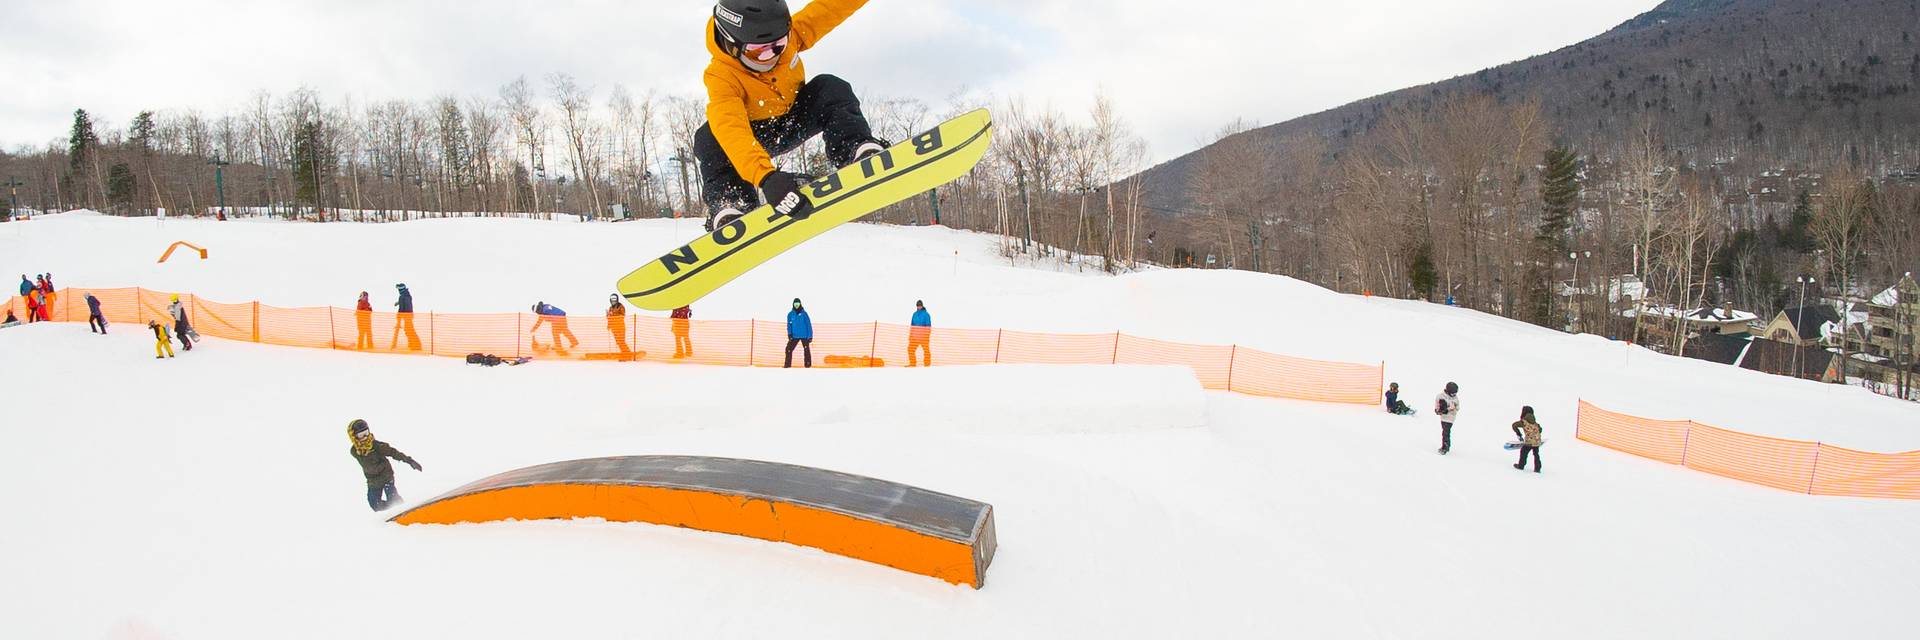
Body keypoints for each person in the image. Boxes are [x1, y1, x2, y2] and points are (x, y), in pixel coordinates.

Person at [696, 0, 886, 230]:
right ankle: (731, 201)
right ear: (732, 45)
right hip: (754, 137)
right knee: (708, 137)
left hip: (795, 118)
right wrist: (766, 178)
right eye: (758, 51)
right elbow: (732, 130)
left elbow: (829, 9)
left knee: (829, 86)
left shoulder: (791, 36)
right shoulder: (721, 77)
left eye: (779, 46)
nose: (772, 55)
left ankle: (854, 147)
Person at [347, 419, 421, 512]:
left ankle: (400, 508)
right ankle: (392, 512)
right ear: (353, 436)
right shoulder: (354, 451)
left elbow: (393, 452)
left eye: (366, 433)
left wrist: (409, 461)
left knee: (393, 499)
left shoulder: (376, 446)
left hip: (386, 476)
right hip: (373, 481)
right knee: (375, 504)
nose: (365, 437)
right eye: (361, 435)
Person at [1511, 406, 1544, 473]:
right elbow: (1540, 430)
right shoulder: (1535, 423)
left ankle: (1521, 465)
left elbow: (1514, 425)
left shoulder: (1524, 422)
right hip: (1537, 441)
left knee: (1523, 452)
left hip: (1529, 442)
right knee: (1536, 454)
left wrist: (1518, 434)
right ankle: (1537, 468)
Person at [784, 297, 813, 368]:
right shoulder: (790, 314)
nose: (796, 305)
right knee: (788, 349)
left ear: (800, 304)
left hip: (804, 335)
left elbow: (808, 324)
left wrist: (810, 336)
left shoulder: (804, 314)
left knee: (806, 349)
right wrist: (789, 334)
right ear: (793, 304)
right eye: (795, 304)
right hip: (795, 335)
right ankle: (787, 365)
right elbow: (789, 325)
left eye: (798, 303)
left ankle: (808, 365)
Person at [1434, 382, 1461, 455]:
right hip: (1443, 417)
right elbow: (1437, 407)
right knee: (1445, 432)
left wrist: (1453, 408)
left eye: (1455, 393)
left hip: (1451, 417)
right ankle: (1446, 446)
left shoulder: (1455, 398)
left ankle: (1445, 447)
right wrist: (1439, 410)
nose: (1454, 395)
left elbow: (1458, 407)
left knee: (1446, 431)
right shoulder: (1440, 396)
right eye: (1453, 393)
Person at [393, 283, 421, 351]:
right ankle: (412, 343)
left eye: (398, 289)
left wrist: (399, 315)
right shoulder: (406, 294)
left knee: (409, 330)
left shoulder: (403, 296)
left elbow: (402, 307)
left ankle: (416, 345)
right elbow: (404, 302)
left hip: (407, 316)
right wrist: (399, 302)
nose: (398, 291)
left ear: (401, 289)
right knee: (409, 330)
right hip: (408, 315)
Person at [908, 299, 932, 367]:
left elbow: (928, 326)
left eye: (920, 306)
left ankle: (927, 364)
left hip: (924, 337)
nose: (919, 307)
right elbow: (912, 325)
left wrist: (927, 335)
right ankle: (912, 363)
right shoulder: (914, 314)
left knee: (926, 351)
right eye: (918, 306)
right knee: (910, 349)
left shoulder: (926, 315)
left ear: (922, 306)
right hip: (915, 337)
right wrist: (910, 336)